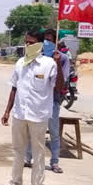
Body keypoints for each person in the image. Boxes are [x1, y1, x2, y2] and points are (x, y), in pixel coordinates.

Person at [1, 30, 64, 185]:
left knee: (38, 151)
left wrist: (58, 64)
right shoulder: (21, 62)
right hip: (20, 113)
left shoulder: (49, 63)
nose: (28, 45)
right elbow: (14, 87)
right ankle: (14, 183)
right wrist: (7, 111)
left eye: (32, 42)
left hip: (39, 114)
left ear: (40, 44)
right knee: (18, 149)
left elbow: (58, 87)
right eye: (26, 42)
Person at [24, 29, 69, 174]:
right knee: (33, 131)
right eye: (46, 40)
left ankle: (54, 161)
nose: (48, 42)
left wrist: (57, 65)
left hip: (53, 101)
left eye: (51, 40)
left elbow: (62, 83)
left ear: (56, 41)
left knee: (54, 132)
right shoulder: (37, 57)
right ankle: (28, 158)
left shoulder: (62, 58)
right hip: (37, 101)